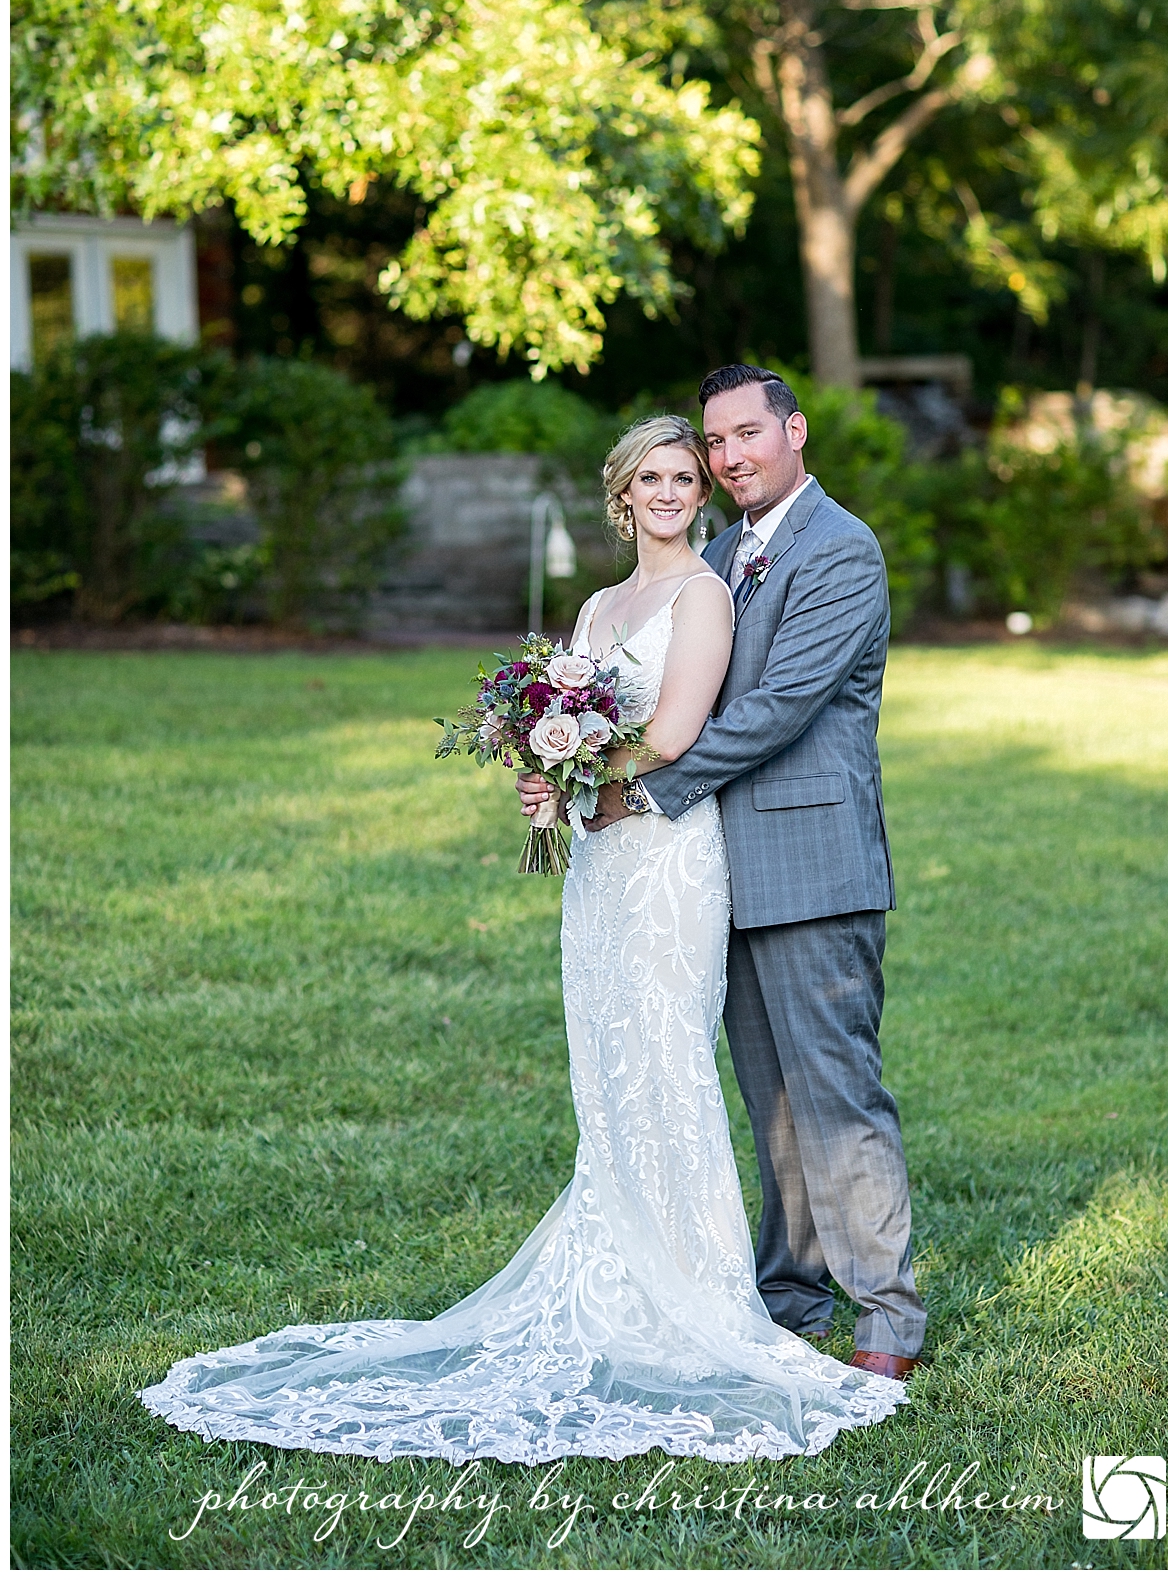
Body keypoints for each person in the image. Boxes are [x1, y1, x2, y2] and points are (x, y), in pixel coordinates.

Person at [137, 412, 906, 1466]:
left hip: (689, 852)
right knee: (646, 1068)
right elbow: (590, 706)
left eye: (701, 465)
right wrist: (549, 762)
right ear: (623, 492)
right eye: (664, 472)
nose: (688, 482)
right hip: (607, 860)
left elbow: (701, 725)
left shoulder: (750, 573)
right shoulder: (634, 587)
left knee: (715, 1070)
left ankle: (828, 1311)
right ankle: (712, 1280)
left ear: (782, 436)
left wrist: (597, 765)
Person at [524, 367, 927, 1379]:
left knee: (835, 1090)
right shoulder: (712, 557)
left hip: (811, 860)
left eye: (749, 432)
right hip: (711, 870)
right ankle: (790, 1291)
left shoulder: (841, 549)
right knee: (769, 1098)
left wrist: (637, 790)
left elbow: (775, 708)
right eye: (718, 440)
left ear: (793, 430)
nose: (732, 453)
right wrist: (564, 768)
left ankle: (886, 1319)